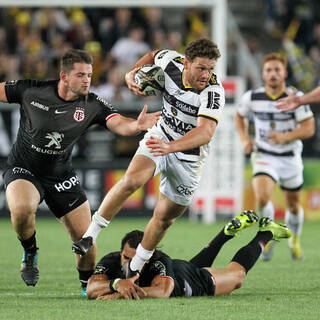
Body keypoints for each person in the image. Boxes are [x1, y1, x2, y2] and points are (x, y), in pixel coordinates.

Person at [0, 49, 160, 296]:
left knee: (86, 243)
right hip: (24, 168)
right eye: (81, 75)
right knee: (21, 209)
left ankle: (87, 288)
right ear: (64, 76)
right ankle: (30, 252)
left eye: (90, 74)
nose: (87, 80)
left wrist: (136, 125)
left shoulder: (92, 104)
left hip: (61, 176)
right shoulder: (31, 91)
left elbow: (118, 123)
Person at [72, 38, 226, 278]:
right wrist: (131, 74)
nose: (206, 75)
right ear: (186, 63)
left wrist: (171, 147)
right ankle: (89, 236)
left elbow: (205, 132)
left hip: (189, 158)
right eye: (201, 68)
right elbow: (154, 54)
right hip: (160, 136)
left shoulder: (213, 92)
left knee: (163, 219)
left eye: (211, 69)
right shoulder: (171, 62)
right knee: (131, 180)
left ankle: (134, 270)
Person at [85, 211, 292, 300]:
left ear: (148, 256)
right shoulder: (111, 260)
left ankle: (267, 232)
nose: (128, 263)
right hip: (181, 270)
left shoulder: (159, 261)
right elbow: (91, 288)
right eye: (125, 257)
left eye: (135, 258)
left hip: (192, 281)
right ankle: (225, 234)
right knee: (190, 266)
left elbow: (163, 292)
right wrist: (116, 284)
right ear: (121, 252)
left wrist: (121, 294)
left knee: (236, 276)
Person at [235, 53, 315, 261]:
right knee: (262, 196)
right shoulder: (252, 97)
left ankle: (294, 241)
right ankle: (267, 238)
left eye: (277, 70)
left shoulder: (295, 97)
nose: (272, 74)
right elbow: (239, 115)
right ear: (263, 74)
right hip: (264, 155)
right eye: (269, 70)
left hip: (289, 157)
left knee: (293, 205)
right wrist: (245, 140)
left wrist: (285, 136)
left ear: (285, 73)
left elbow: (309, 128)